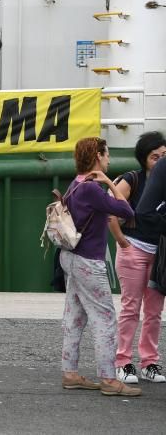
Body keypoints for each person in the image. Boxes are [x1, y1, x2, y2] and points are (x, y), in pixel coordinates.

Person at [60, 137, 140, 397]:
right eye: (106, 155)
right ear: (97, 156)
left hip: (70, 258)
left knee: (75, 317)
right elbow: (127, 211)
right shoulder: (93, 188)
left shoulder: (75, 184)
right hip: (88, 262)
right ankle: (109, 379)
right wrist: (108, 182)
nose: (108, 159)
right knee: (105, 319)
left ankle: (70, 373)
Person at [108, 131, 166, 384]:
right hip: (135, 248)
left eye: (164, 156)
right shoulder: (133, 179)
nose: (160, 161)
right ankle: (123, 361)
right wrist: (123, 242)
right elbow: (109, 211)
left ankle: (149, 362)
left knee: (154, 311)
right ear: (144, 159)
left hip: (159, 252)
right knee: (131, 307)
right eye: (155, 157)